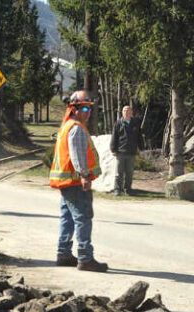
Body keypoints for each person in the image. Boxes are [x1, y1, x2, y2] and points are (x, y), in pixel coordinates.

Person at [50, 90, 108, 272]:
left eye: (89, 108)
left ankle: (64, 253)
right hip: (76, 182)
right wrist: (84, 175)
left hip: (67, 183)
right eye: (83, 107)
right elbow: (77, 155)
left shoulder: (67, 126)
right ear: (74, 109)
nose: (87, 111)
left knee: (67, 218)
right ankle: (85, 258)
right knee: (83, 218)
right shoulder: (76, 129)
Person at [110, 105, 141, 196]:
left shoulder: (135, 123)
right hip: (120, 151)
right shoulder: (118, 123)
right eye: (124, 110)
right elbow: (114, 137)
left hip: (131, 151)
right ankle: (117, 189)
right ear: (122, 112)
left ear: (131, 112)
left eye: (128, 110)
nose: (126, 112)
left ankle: (128, 189)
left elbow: (139, 136)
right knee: (119, 172)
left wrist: (140, 147)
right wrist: (113, 149)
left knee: (129, 172)